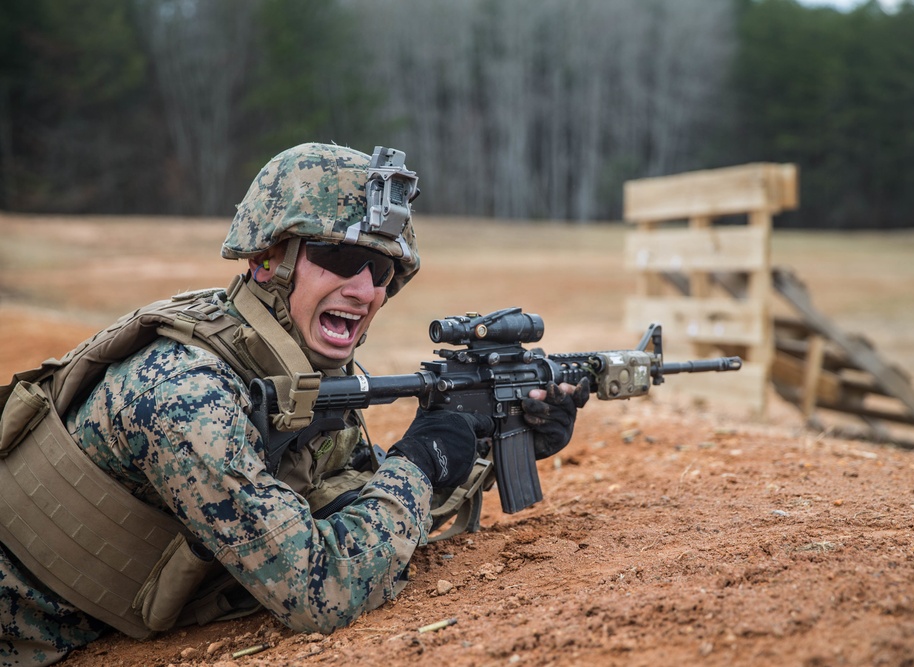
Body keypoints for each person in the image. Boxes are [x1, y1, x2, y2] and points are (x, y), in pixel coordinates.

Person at [0, 142, 588, 666]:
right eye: (336, 259)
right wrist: (421, 462)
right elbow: (318, 590)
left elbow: (359, 511)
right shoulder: (185, 394)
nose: (363, 289)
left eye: (381, 268)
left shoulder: (297, 369)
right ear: (268, 260)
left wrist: (483, 448)